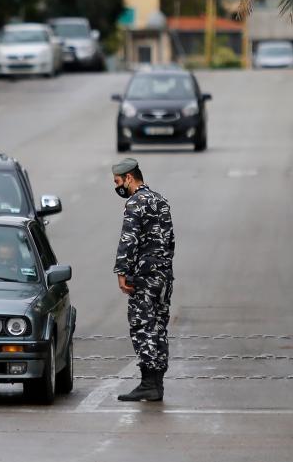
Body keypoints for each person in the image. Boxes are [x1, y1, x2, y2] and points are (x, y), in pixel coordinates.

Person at [112, 158, 174, 402]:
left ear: (129, 177)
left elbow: (128, 240)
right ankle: (156, 384)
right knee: (158, 326)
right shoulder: (161, 200)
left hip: (145, 277)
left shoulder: (135, 203)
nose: (117, 187)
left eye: (118, 181)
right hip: (164, 276)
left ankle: (149, 383)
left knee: (142, 326)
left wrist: (122, 272)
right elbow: (170, 241)